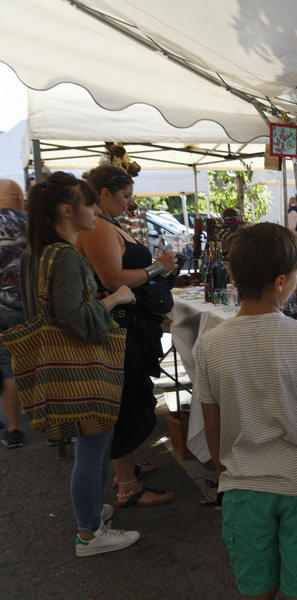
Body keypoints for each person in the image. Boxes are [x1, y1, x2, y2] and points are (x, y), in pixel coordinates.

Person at [194, 222, 297, 600]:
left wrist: (224, 468)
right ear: (281, 282)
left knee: (258, 589)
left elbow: (212, 423)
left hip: (243, 487)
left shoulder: (209, 345)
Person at [20, 172, 140, 555]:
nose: (94, 211)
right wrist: (115, 299)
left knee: (90, 447)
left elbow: (41, 312)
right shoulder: (67, 258)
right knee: (92, 449)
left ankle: (91, 512)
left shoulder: (35, 253)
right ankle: (89, 533)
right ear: (66, 211)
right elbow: (73, 317)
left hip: (53, 365)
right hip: (81, 365)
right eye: (88, 204)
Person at [76, 166, 176, 508]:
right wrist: (158, 267)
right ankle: (127, 486)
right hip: (119, 326)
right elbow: (113, 278)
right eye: (126, 196)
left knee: (132, 396)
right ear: (104, 193)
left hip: (129, 323)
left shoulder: (107, 224)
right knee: (130, 401)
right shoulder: (98, 227)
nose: (130, 203)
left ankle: (125, 470)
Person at [0, 180, 27, 448]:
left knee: (7, 368)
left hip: (2, 309)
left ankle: (14, 428)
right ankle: (53, 426)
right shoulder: (33, 224)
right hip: (32, 308)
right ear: (19, 197)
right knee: (39, 362)